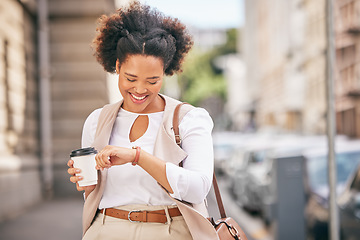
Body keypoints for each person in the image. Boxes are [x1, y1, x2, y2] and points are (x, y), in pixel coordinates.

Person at [67, 2, 214, 240]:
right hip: (106, 229)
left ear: (165, 72)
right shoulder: (97, 120)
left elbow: (197, 189)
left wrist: (137, 157)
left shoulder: (189, 119)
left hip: (171, 230)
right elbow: (93, 192)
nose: (140, 89)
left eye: (152, 80)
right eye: (131, 78)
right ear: (117, 66)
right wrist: (86, 182)